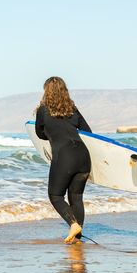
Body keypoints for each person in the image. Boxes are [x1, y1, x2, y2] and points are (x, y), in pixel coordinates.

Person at [34, 76, 91, 244]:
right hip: (83, 156)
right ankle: (78, 238)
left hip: (64, 156)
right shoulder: (72, 109)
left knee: (55, 195)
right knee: (76, 196)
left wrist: (52, 133)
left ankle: (73, 224)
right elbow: (88, 132)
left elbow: (39, 133)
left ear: (46, 92)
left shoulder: (43, 110)